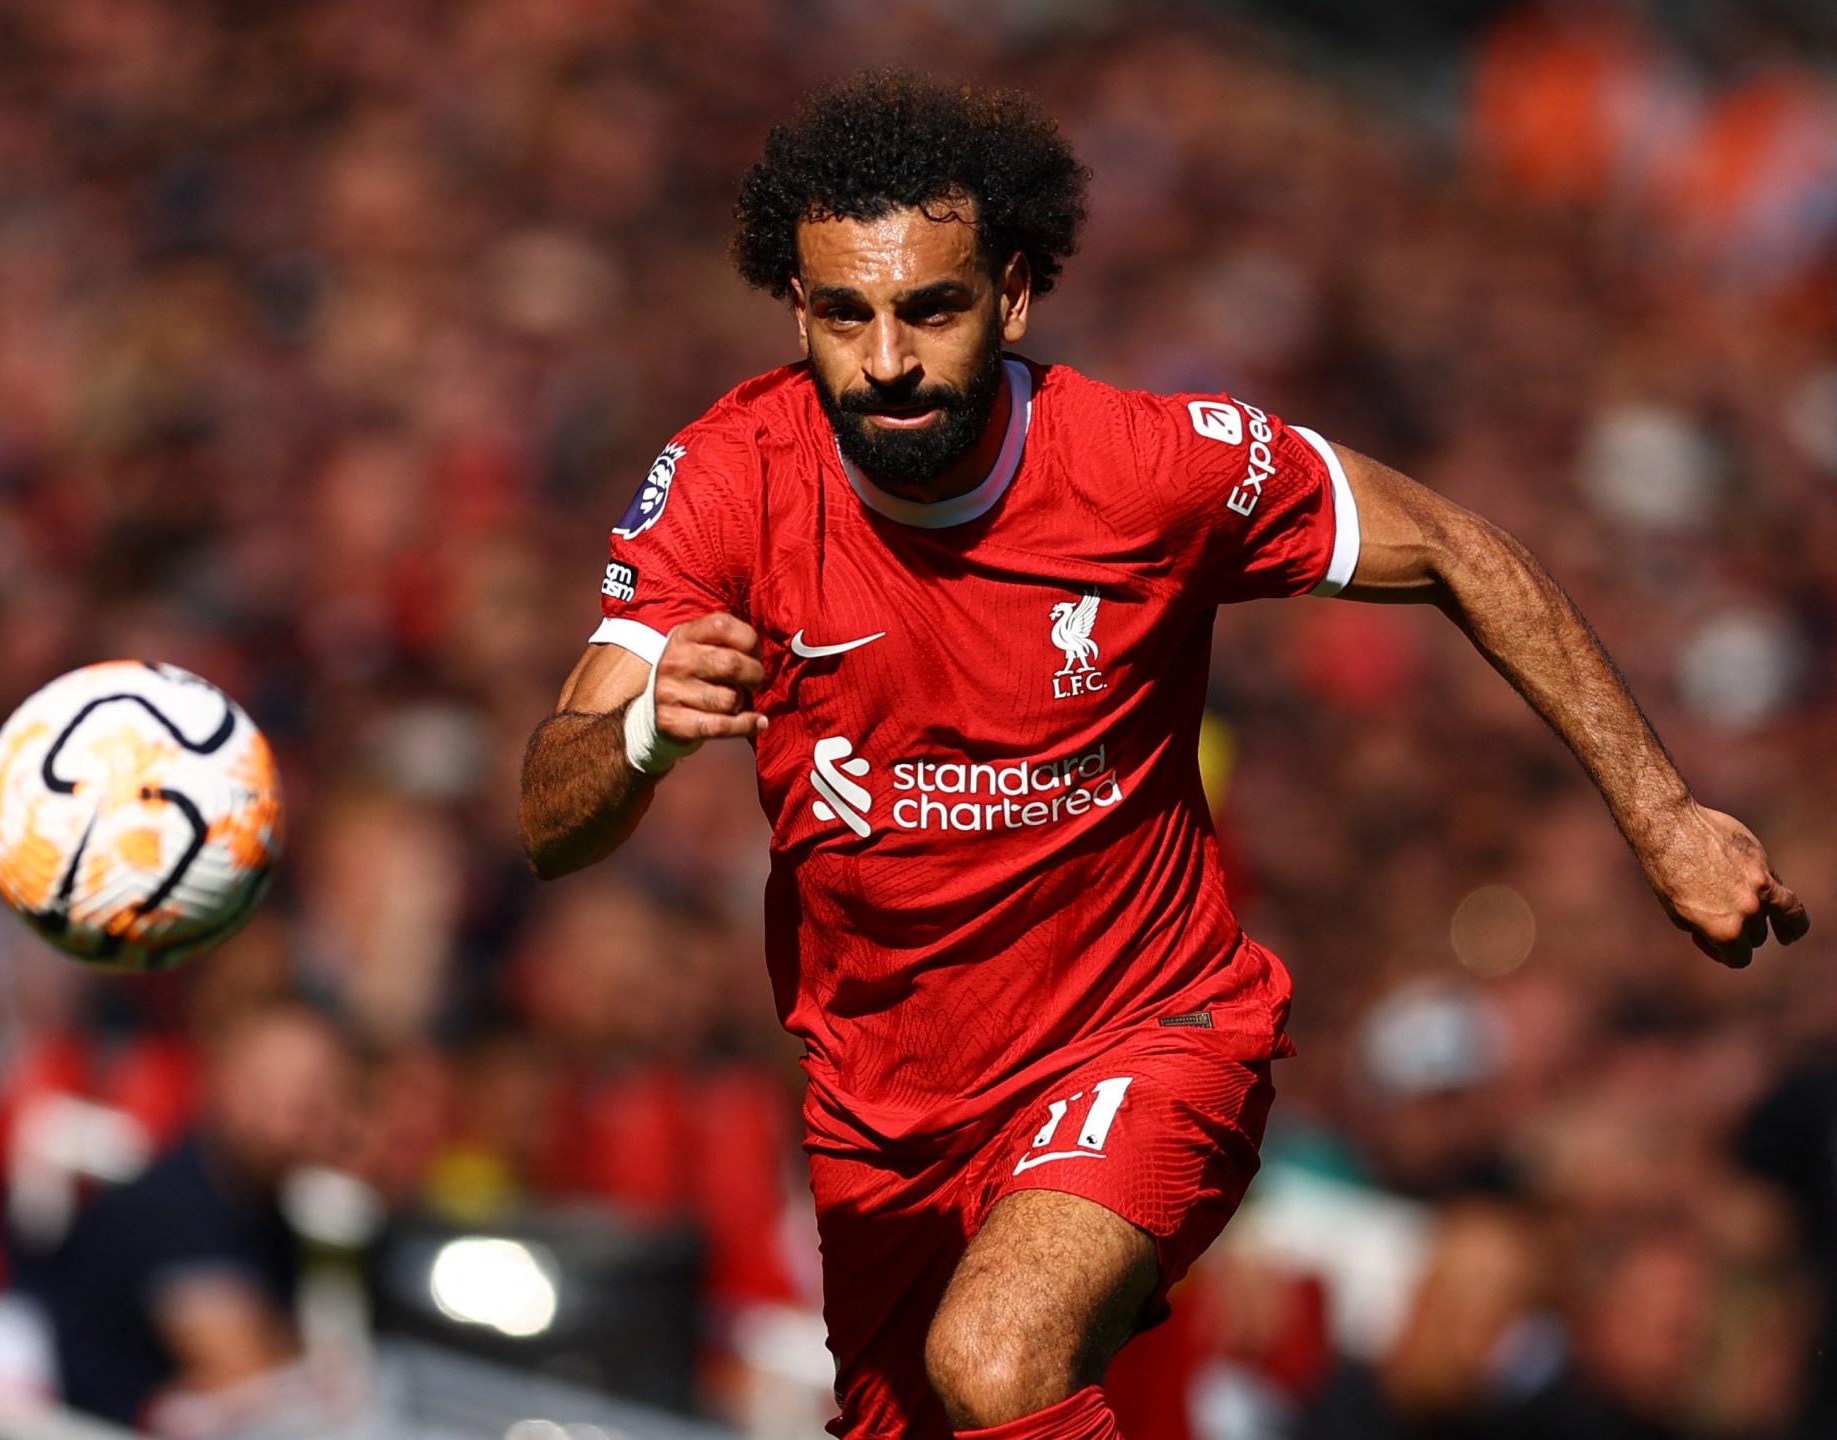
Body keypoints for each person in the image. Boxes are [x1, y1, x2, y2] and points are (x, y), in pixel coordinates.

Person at [517, 72, 1807, 1440]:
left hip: (1147, 1035)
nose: (886, 358)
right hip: (884, 1113)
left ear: (1013, 296)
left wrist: (1665, 815)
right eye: (846, 314)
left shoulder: (1149, 466)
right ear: (798, 310)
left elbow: (1452, 546)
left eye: (931, 309)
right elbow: (550, 815)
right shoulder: (730, 480)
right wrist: (646, 732)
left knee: (997, 1354)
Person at [41, 1001, 352, 1429]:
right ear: (223, 1082)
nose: (293, 1117)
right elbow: (255, 1385)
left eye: (315, 1097)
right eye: (274, 1089)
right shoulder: (175, 1206)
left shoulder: (267, 1212)